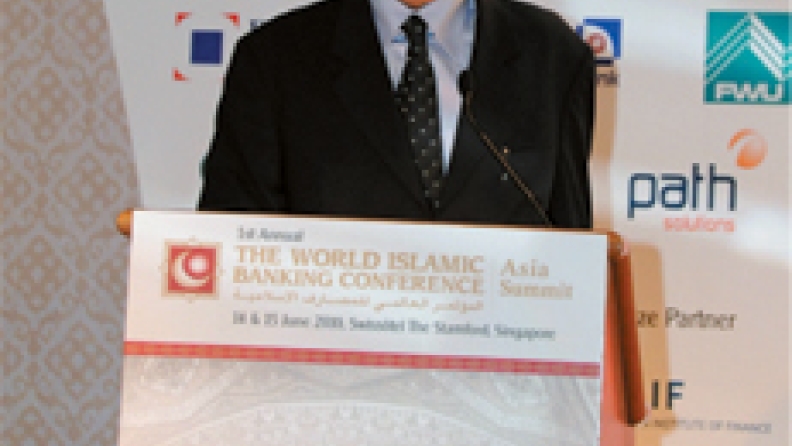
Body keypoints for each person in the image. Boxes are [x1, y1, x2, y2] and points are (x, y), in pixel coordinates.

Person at [198, 0, 595, 229]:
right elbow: (233, 240)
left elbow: (571, 240)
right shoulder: (274, 58)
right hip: (330, 344)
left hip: (501, 344)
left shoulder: (554, 57)